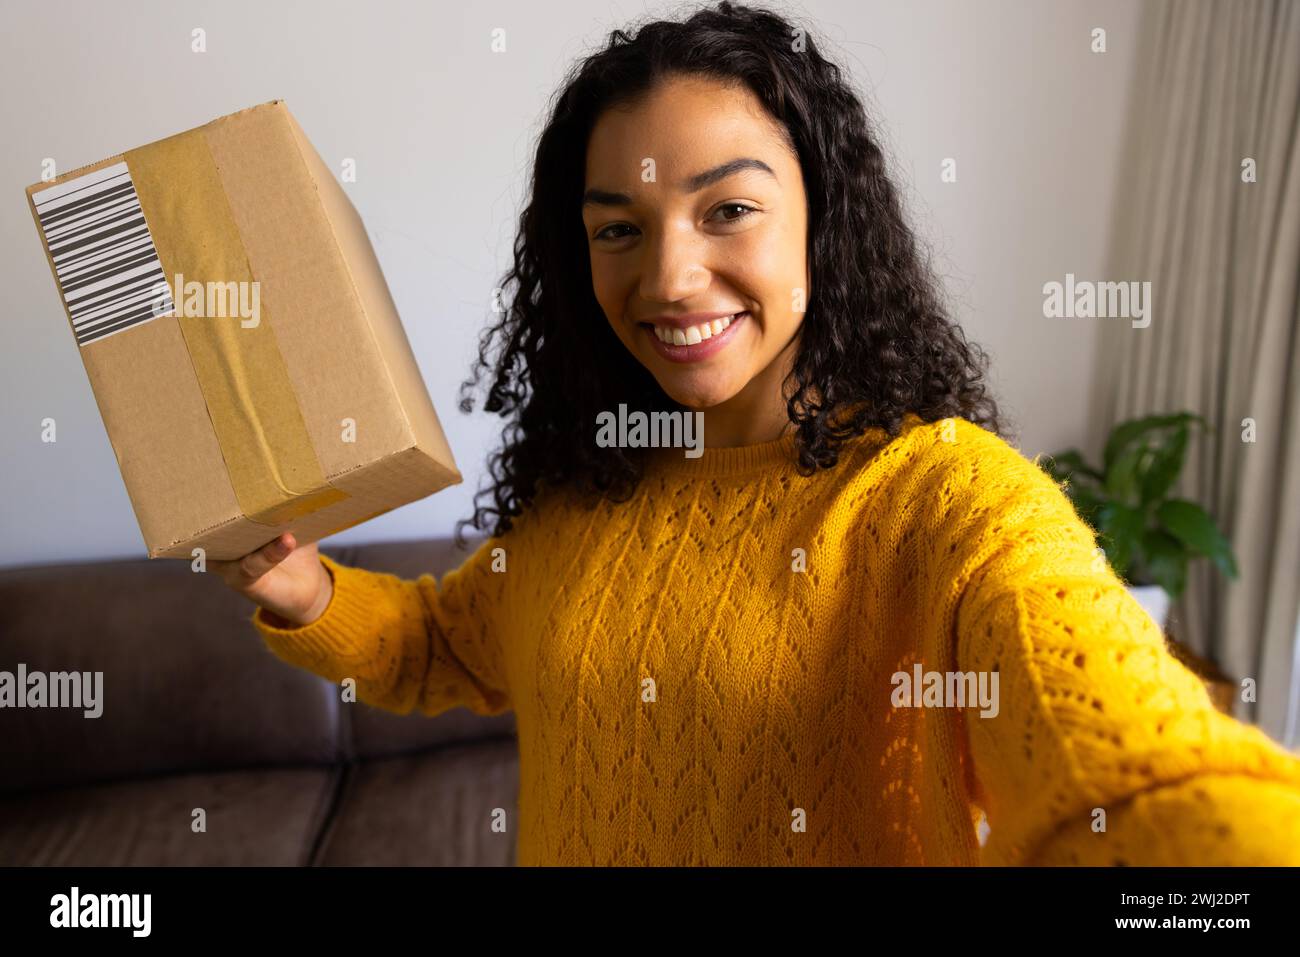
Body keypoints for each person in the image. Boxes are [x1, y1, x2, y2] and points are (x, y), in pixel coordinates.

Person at [212, 2, 1300, 865]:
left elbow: (1131, 776)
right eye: (618, 229)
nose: (669, 277)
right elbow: (438, 647)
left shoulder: (951, 501)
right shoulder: (586, 485)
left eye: (726, 209)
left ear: (824, 220)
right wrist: (305, 592)